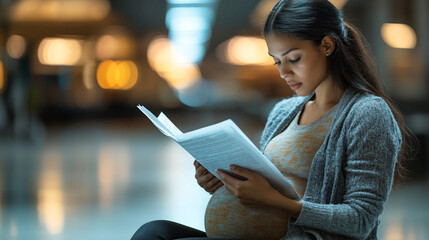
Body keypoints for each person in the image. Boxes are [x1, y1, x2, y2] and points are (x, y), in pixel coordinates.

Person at [131, 0, 410, 239]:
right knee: (154, 232)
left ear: (326, 46)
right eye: (277, 61)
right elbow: (264, 190)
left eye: (294, 58)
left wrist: (278, 202)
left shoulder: (368, 113)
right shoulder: (282, 112)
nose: (283, 72)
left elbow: (360, 220)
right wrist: (225, 185)